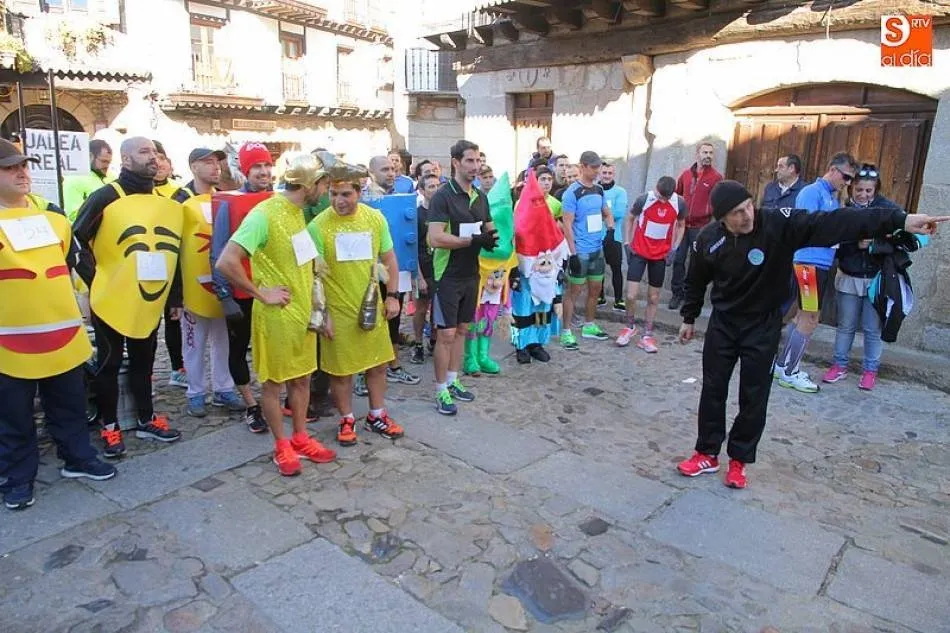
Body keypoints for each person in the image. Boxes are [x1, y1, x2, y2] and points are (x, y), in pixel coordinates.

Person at [675, 180, 944, 489]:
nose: (748, 215)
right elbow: (695, 280)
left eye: (749, 205)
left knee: (754, 394)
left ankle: (739, 460)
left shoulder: (776, 223)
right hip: (724, 324)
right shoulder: (709, 240)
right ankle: (706, 453)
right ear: (722, 218)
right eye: (737, 213)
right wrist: (689, 317)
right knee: (712, 389)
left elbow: (836, 222)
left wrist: (902, 220)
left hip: (762, 325)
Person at [0, 139, 116, 510]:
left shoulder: (53, 217)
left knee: (69, 405)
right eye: (10, 167)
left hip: (63, 335)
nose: (21, 172)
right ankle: (18, 477)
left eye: (24, 165)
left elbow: (76, 263)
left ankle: (78, 457)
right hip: (9, 345)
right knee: (14, 418)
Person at [216, 153, 337, 476]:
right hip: (276, 315)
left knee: (302, 380)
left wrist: (320, 310)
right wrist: (260, 292)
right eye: (324, 184)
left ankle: (300, 436)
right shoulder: (264, 214)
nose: (326, 191)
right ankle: (281, 444)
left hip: (302, 315)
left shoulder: (298, 213)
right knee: (273, 384)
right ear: (310, 184)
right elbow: (227, 260)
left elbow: (308, 266)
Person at [74, 137, 184, 458]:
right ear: (125, 159)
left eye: (154, 151)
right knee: (109, 363)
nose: (152, 157)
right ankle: (110, 426)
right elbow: (75, 242)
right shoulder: (106, 196)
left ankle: (146, 418)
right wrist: (99, 283)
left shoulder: (166, 201)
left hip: (148, 298)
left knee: (144, 361)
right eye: (143, 152)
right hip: (110, 299)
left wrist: (174, 297)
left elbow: (173, 251)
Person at [308, 161, 406, 447]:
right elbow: (310, 275)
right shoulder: (318, 226)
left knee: (377, 365)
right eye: (334, 194)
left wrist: (392, 295)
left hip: (371, 305)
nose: (339, 201)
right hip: (336, 309)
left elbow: (389, 258)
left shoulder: (374, 219)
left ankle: (377, 414)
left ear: (359, 192)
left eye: (345, 195)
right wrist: (321, 313)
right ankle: (347, 418)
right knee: (342, 371)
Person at [773, 152, 859, 393]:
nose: (848, 182)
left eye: (850, 179)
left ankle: (783, 365)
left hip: (819, 264)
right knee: (809, 319)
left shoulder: (831, 196)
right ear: (832, 169)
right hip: (809, 264)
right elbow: (807, 227)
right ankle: (790, 371)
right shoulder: (812, 192)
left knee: (804, 316)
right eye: (845, 176)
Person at [172, 148, 245, 417]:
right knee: (193, 341)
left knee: (222, 338)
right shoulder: (179, 200)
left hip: (221, 281)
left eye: (217, 162)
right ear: (193, 167)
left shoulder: (224, 198)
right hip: (193, 285)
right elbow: (173, 247)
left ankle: (224, 388)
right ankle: (196, 391)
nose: (215, 168)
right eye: (208, 163)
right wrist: (176, 295)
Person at [428, 140, 498, 416]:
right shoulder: (443, 196)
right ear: (456, 162)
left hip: (471, 273)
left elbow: (490, 228)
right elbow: (435, 237)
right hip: (447, 274)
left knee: (461, 330)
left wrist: (493, 239)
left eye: (478, 161)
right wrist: (472, 241)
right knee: (445, 333)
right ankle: (440, 389)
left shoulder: (480, 197)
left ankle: (453, 380)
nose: (476, 166)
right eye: (470, 161)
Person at [209, 141, 274, 433]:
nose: (262, 171)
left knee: (273, 346)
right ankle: (251, 404)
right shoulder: (230, 203)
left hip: (273, 288)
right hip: (241, 290)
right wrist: (224, 295)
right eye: (256, 166)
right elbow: (218, 251)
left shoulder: (281, 200)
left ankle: (273, 397)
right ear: (245, 170)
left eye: (266, 165)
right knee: (238, 348)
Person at [822, 164, 901, 391]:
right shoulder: (843, 212)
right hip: (849, 276)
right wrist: (854, 244)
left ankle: (870, 370)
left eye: (869, 191)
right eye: (859, 190)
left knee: (871, 328)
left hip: (876, 279)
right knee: (845, 325)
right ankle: (839, 365)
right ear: (852, 189)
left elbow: (900, 240)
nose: (864, 194)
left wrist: (876, 245)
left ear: (875, 190)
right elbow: (835, 245)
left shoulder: (887, 211)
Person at [616, 176, 687, 352]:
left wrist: (675, 248)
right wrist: (627, 242)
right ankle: (630, 326)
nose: (662, 200)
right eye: (660, 196)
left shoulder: (679, 203)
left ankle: (647, 334)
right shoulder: (644, 199)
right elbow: (630, 218)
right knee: (631, 295)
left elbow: (681, 224)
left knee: (653, 297)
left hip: (660, 256)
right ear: (656, 188)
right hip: (639, 252)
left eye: (665, 198)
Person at [510, 171, 569, 364]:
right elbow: (515, 241)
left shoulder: (550, 214)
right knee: (523, 312)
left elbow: (557, 241)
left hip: (546, 273)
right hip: (526, 275)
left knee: (542, 311)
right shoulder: (520, 212)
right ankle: (521, 346)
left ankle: (537, 343)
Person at [559, 151, 614, 350]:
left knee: (595, 289)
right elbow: (567, 224)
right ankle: (566, 331)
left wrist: (610, 229)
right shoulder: (572, 193)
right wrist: (572, 253)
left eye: (599, 168)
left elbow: (607, 213)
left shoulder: (599, 190)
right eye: (594, 168)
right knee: (573, 291)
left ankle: (589, 325)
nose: (598, 172)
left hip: (596, 249)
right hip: (580, 250)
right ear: (583, 167)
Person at [463, 170, 516, 375]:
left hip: (495, 290)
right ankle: (471, 357)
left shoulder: (508, 250)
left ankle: (483, 356)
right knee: (474, 320)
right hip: (477, 284)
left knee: (488, 321)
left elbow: (508, 273)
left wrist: (507, 304)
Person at [151, 139, 188, 389]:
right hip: (148, 262)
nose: (159, 164)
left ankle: (178, 367)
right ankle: (144, 370)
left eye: (162, 158)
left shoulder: (181, 193)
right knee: (147, 321)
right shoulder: (134, 192)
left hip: (175, 262)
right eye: (154, 159)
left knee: (174, 317)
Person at [669, 142, 722, 310]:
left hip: (701, 227)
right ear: (697, 154)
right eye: (705, 152)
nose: (708, 155)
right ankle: (677, 293)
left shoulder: (716, 178)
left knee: (696, 262)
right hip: (682, 225)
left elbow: (717, 201)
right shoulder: (685, 175)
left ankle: (690, 294)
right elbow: (676, 196)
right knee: (678, 259)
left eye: (711, 153)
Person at [411, 173, 441, 365]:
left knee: (438, 309)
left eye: (438, 185)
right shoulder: (417, 215)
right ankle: (418, 343)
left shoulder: (444, 213)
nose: (435, 189)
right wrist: (419, 277)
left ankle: (434, 340)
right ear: (421, 190)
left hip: (440, 268)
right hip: (423, 267)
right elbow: (412, 248)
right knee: (421, 309)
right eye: (431, 186)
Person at [598, 161, 628, 311]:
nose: (607, 176)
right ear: (600, 173)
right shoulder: (594, 190)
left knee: (616, 268)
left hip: (614, 236)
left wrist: (599, 212)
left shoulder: (620, 192)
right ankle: (600, 296)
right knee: (598, 268)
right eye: (604, 173)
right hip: (596, 235)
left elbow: (619, 213)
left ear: (614, 174)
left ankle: (618, 299)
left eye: (610, 173)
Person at [63, 139, 112, 222]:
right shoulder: (74, 179)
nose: (107, 166)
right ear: (90, 156)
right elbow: (74, 215)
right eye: (103, 161)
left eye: (109, 162)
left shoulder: (112, 177)